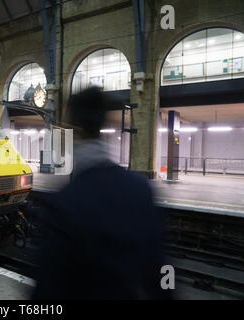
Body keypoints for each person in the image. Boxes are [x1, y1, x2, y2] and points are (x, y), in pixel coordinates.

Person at [33, 87, 170, 300]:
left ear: (74, 131)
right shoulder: (140, 189)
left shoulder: (62, 205)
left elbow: (46, 293)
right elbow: (162, 270)